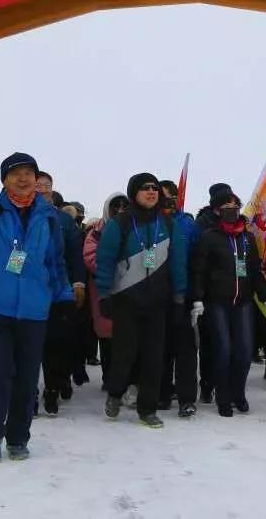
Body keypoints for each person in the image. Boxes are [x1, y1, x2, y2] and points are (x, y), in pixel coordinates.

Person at [0, 122, 72, 463]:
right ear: (5, 179)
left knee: (26, 379)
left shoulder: (49, 217)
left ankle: (19, 437)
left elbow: (56, 261)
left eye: (29, 173)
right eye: (15, 173)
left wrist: (63, 298)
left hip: (35, 312)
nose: (23, 179)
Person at [95, 172, 188, 429]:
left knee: (153, 357)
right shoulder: (120, 223)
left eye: (155, 188)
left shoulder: (168, 225)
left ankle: (147, 409)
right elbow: (105, 260)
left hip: (158, 302)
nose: (151, 192)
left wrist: (180, 296)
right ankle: (115, 393)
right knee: (125, 354)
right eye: (145, 188)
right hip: (126, 300)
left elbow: (178, 262)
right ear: (133, 193)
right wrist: (103, 294)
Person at [190, 190, 266, 417]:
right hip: (217, 302)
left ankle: (238, 392)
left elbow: (255, 271)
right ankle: (223, 396)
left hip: (243, 302)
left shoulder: (247, 238)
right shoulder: (209, 237)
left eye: (235, 205)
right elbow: (199, 271)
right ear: (217, 210)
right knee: (223, 349)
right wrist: (197, 298)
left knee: (245, 350)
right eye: (227, 205)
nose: (232, 209)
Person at [35, 171, 86, 415]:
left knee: (57, 344)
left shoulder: (64, 220)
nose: (43, 189)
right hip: (30, 291)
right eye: (39, 185)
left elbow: (76, 254)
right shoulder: (21, 216)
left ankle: (53, 389)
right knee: (31, 345)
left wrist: (78, 283)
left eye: (47, 185)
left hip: (60, 290)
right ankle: (29, 393)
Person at [158, 179, 199, 416]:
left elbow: (197, 259)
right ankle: (162, 394)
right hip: (155, 294)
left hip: (183, 294)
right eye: (163, 197)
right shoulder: (148, 223)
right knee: (159, 348)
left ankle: (186, 398)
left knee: (185, 349)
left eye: (171, 197)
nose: (168, 202)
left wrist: (196, 294)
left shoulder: (188, 225)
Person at [84, 192, 128, 387]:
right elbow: (90, 257)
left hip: (130, 288)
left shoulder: (136, 229)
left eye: (124, 206)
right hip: (103, 288)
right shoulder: (96, 232)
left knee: (128, 334)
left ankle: (127, 377)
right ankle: (109, 376)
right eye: (115, 207)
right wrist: (115, 268)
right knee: (107, 333)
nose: (119, 210)